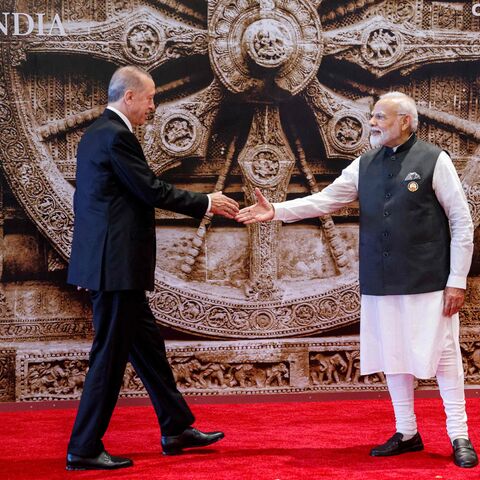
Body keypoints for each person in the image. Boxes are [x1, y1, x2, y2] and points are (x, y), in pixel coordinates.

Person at [236, 92, 478, 468]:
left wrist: (457, 279)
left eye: (381, 116)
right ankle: (407, 432)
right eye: (373, 115)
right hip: (381, 279)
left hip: (430, 280)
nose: (374, 122)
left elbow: (461, 222)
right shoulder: (363, 165)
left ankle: (459, 435)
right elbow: (324, 200)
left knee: (445, 357)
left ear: (406, 122)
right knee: (394, 354)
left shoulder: (435, 160)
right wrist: (275, 212)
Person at [66, 65, 239, 470]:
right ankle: (84, 447)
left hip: (112, 263)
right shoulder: (116, 136)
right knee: (109, 358)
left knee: (149, 350)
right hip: (115, 266)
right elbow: (148, 188)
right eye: (150, 98)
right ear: (129, 97)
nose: (153, 106)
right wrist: (206, 202)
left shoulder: (97, 133)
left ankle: (176, 427)